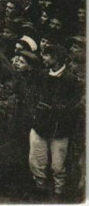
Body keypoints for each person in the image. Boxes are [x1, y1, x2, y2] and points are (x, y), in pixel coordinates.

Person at [26, 44, 80, 199]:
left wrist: (55, 109)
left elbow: (73, 105)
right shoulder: (42, 75)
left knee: (58, 163)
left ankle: (58, 193)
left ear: (55, 58)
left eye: (47, 55)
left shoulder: (71, 79)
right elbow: (33, 96)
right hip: (40, 125)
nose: (43, 58)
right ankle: (39, 189)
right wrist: (36, 111)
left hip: (60, 128)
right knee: (37, 158)